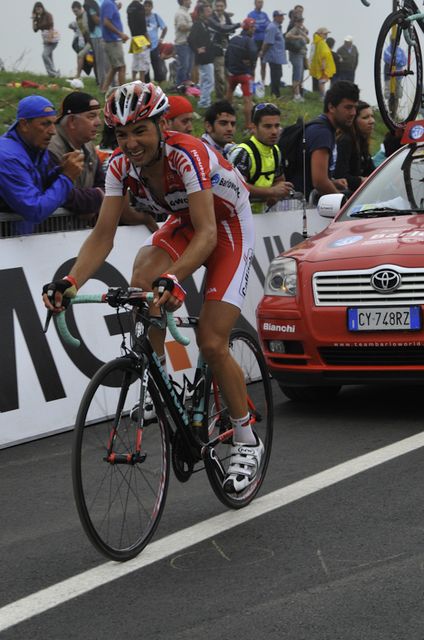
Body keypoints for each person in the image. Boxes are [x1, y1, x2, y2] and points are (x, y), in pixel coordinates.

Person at [42, 81, 263, 494]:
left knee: (213, 343)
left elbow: (209, 234)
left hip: (227, 227)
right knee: (141, 276)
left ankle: (245, 436)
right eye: (121, 134)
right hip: (185, 225)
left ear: (162, 125)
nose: (130, 143)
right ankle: (156, 376)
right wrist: (71, 281)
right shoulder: (119, 167)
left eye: (140, 130)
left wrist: (175, 277)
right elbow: (102, 235)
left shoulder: (187, 153)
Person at [0, 96, 84, 233]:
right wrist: (67, 177)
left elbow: (39, 186)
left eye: (53, 123)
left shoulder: (34, 147)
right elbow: (35, 210)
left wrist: (60, 171)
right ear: (24, 124)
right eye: (45, 124)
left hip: (16, 240)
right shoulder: (7, 157)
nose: (53, 131)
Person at [289, 80, 360, 200]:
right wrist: (345, 206)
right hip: (302, 206)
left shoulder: (323, 127)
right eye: (348, 107)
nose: (353, 113)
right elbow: (320, 182)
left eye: (355, 107)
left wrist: (333, 183)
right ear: (331, 107)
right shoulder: (322, 132)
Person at [228, 102, 294, 212]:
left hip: (263, 217)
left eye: (277, 126)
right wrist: (272, 192)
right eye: (268, 126)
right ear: (253, 127)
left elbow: (279, 180)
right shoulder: (243, 153)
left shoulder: (276, 151)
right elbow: (236, 188)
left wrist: (280, 191)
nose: (274, 131)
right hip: (239, 217)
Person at [48, 92, 104, 220]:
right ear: (72, 121)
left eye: (98, 116)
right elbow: (63, 195)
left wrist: (91, 202)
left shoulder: (88, 145)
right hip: (52, 230)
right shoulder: (51, 148)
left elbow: (105, 185)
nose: (98, 122)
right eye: (91, 116)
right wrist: (99, 199)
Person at [334, 100, 375, 193]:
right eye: (365, 117)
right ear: (354, 121)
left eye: (372, 116)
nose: (372, 121)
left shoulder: (362, 141)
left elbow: (371, 170)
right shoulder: (346, 141)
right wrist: (361, 180)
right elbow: (341, 175)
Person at [225, 18, 257, 133]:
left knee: (228, 96)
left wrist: (228, 68)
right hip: (245, 74)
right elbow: (253, 54)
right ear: (248, 28)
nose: (254, 29)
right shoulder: (249, 41)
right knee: (247, 100)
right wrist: (252, 65)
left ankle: (224, 118)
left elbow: (227, 55)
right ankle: (248, 125)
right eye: (253, 27)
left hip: (232, 74)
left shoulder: (233, 39)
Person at [209, 0, 239, 100]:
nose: (219, 8)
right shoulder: (211, 17)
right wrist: (235, 25)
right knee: (219, 75)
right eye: (217, 6)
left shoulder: (226, 16)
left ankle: (228, 98)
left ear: (225, 6)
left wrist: (229, 28)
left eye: (221, 6)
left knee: (228, 74)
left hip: (227, 48)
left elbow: (231, 29)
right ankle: (219, 98)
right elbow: (221, 28)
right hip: (216, 49)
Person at [187, 3, 215, 109]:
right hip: (204, 57)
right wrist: (197, 49)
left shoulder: (206, 24)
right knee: (209, 80)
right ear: (201, 13)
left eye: (210, 11)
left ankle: (204, 101)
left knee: (205, 80)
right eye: (207, 11)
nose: (210, 13)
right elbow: (190, 39)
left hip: (207, 56)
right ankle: (204, 103)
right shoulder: (197, 24)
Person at [100, 0, 129, 92]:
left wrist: (117, 9)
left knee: (115, 67)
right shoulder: (108, 3)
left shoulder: (110, 3)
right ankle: (123, 92)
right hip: (113, 40)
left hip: (112, 40)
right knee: (121, 67)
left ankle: (104, 89)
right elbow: (106, 22)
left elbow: (109, 18)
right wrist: (120, 34)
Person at [260, 10, 287, 99]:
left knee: (278, 74)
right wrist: (262, 52)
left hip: (278, 56)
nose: (282, 18)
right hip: (274, 56)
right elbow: (268, 42)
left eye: (282, 16)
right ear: (275, 17)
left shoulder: (277, 27)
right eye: (280, 16)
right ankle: (275, 95)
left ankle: (276, 93)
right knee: (276, 75)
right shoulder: (272, 27)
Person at [31, 2, 60, 77]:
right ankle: (53, 74)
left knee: (44, 55)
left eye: (39, 8)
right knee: (49, 56)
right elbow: (35, 29)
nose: (38, 10)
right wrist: (33, 20)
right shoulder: (38, 17)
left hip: (52, 37)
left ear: (42, 8)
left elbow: (51, 26)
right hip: (45, 38)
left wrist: (50, 38)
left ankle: (54, 73)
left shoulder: (48, 15)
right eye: (36, 9)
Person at [84, 0, 108, 87]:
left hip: (105, 34)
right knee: (100, 62)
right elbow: (96, 20)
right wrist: (108, 22)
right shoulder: (91, 3)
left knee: (107, 62)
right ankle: (102, 85)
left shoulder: (102, 2)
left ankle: (107, 84)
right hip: (97, 35)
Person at [285, 14, 309, 101]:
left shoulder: (301, 29)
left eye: (301, 21)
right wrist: (298, 36)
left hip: (302, 54)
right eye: (299, 21)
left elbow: (307, 32)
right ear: (295, 22)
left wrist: (303, 28)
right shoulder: (294, 29)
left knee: (300, 74)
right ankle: (296, 95)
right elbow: (287, 35)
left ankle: (298, 93)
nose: (300, 23)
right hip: (296, 54)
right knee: (297, 74)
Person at [144, 0, 168, 82]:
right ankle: (146, 84)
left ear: (151, 7)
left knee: (157, 66)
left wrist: (161, 39)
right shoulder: (141, 17)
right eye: (145, 6)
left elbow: (164, 28)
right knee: (145, 67)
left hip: (154, 46)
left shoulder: (156, 16)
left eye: (148, 6)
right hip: (144, 46)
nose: (147, 8)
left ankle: (159, 83)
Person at [247, 0, 270, 84]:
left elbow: (268, 26)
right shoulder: (251, 14)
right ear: (255, 3)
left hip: (264, 42)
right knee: (253, 63)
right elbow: (253, 27)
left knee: (263, 63)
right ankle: (252, 81)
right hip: (254, 41)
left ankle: (263, 82)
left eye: (262, 2)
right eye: (259, 2)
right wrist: (261, 27)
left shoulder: (264, 15)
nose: (260, 4)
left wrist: (260, 27)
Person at [127, 0, 150, 82]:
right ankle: (142, 82)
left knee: (135, 60)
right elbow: (143, 24)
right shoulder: (140, 7)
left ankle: (133, 80)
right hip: (141, 37)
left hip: (134, 36)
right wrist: (148, 38)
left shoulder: (129, 7)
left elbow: (129, 23)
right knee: (143, 61)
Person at [309, 26, 335, 98]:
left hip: (318, 64)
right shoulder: (321, 42)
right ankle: (322, 96)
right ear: (320, 34)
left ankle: (321, 95)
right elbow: (323, 54)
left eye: (326, 34)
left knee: (321, 81)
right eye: (325, 34)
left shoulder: (316, 42)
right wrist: (323, 65)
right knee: (322, 81)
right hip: (322, 65)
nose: (326, 36)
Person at [175, 0, 194, 87]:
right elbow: (182, 27)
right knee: (184, 66)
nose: (190, 2)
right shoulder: (180, 13)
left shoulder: (185, 13)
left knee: (188, 66)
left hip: (188, 43)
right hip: (182, 43)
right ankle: (180, 85)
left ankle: (186, 86)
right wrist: (194, 26)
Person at [71, 1, 92, 80]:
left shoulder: (85, 15)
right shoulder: (78, 18)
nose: (75, 13)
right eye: (73, 11)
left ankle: (78, 75)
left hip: (92, 39)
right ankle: (78, 75)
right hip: (86, 40)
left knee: (84, 57)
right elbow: (81, 31)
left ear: (80, 9)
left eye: (76, 11)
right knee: (80, 55)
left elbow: (88, 28)